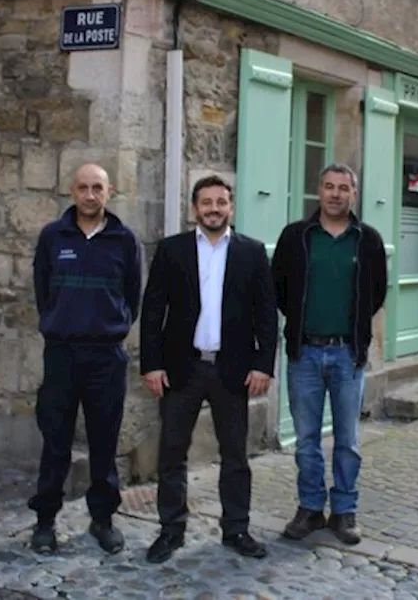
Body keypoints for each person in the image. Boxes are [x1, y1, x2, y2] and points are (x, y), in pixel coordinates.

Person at [139, 174, 278, 564]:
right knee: (172, 452)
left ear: (231, 206)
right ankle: (171, 529)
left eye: (221, 202)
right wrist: (151, 365)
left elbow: (266, 314)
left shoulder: (251, 253)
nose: (214, 209)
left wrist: (263, 364)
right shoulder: (172, 250)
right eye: (206, 202)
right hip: (183, 368)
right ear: (194, 208)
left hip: (232, 371)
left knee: (235, 456)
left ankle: (236, 528)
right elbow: (152, 311)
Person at [27, 163, 144, 555]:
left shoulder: (125, 241)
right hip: (61, 354)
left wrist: (111, 325)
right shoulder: (52, 237)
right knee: (55, 441)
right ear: (72, 192)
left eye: (97, 188)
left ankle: (103, 519)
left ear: (109, 192)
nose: (90, 195)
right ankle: (45, 522)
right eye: (83, 188)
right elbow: (42, 290)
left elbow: (132, 297)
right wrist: (59, 322)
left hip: (106, 356)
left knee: (104, 442)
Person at [272, 164, 387, 546]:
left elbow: (377, 293)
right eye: (329, 187)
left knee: (347, 440)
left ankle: (344, 511)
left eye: (344, 188)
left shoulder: (367, 240)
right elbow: (280, 288)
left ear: (353, 194)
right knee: (306, 439)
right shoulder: (296, 237)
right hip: (304, 352)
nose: (336, 194)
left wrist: (350, 330)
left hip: (346, 354)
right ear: (318, 191)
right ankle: (309, 509)